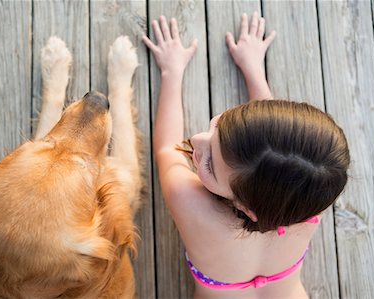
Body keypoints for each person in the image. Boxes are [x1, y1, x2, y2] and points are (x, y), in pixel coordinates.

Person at [142, 12, 350, 299]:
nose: (197, 140)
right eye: (218, 125)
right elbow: (277, 152)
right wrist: (253, 68)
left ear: (246, 207)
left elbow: (167, 148)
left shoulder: (188, 200)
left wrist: (171, 72)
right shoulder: (309, 196)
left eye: (210, 165)